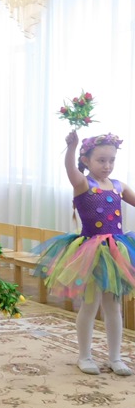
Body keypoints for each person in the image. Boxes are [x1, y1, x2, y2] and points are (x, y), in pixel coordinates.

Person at [34, 131, 135, 376]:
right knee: (90, 305)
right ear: (86, 160)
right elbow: (70, 169)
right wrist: (71, 147)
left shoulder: (119, 186)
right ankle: (85, 356)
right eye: (101, 160)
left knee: (114, 307)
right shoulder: (83, 184)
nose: (107, 165)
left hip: (116, 252)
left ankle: (115, 357)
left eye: (111, 160)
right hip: (90, 252)